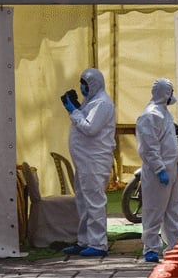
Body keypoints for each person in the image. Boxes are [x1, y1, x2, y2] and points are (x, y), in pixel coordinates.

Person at [60, 67, 116, 257]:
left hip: (94, 161)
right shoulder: (90, 102)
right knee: (83, 202)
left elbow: (90, 128)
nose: (82, 88)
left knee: (94, 202)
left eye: (85, 84)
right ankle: (84, 240)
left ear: (93, 84)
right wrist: (76, 107)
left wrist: (73, 111)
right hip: (84, 161)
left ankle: (98, 244)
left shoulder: (102, 103)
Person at [135, 78, 178, 263]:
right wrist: (159, 169)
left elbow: (169, 142)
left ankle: (174, 246)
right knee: (154, 211)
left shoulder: (164, 113)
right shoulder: (150, 115)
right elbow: (148, 147)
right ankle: (151, 248)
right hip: (158, 173)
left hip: (170, 170)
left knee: (173, 210)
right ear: (166, 93)